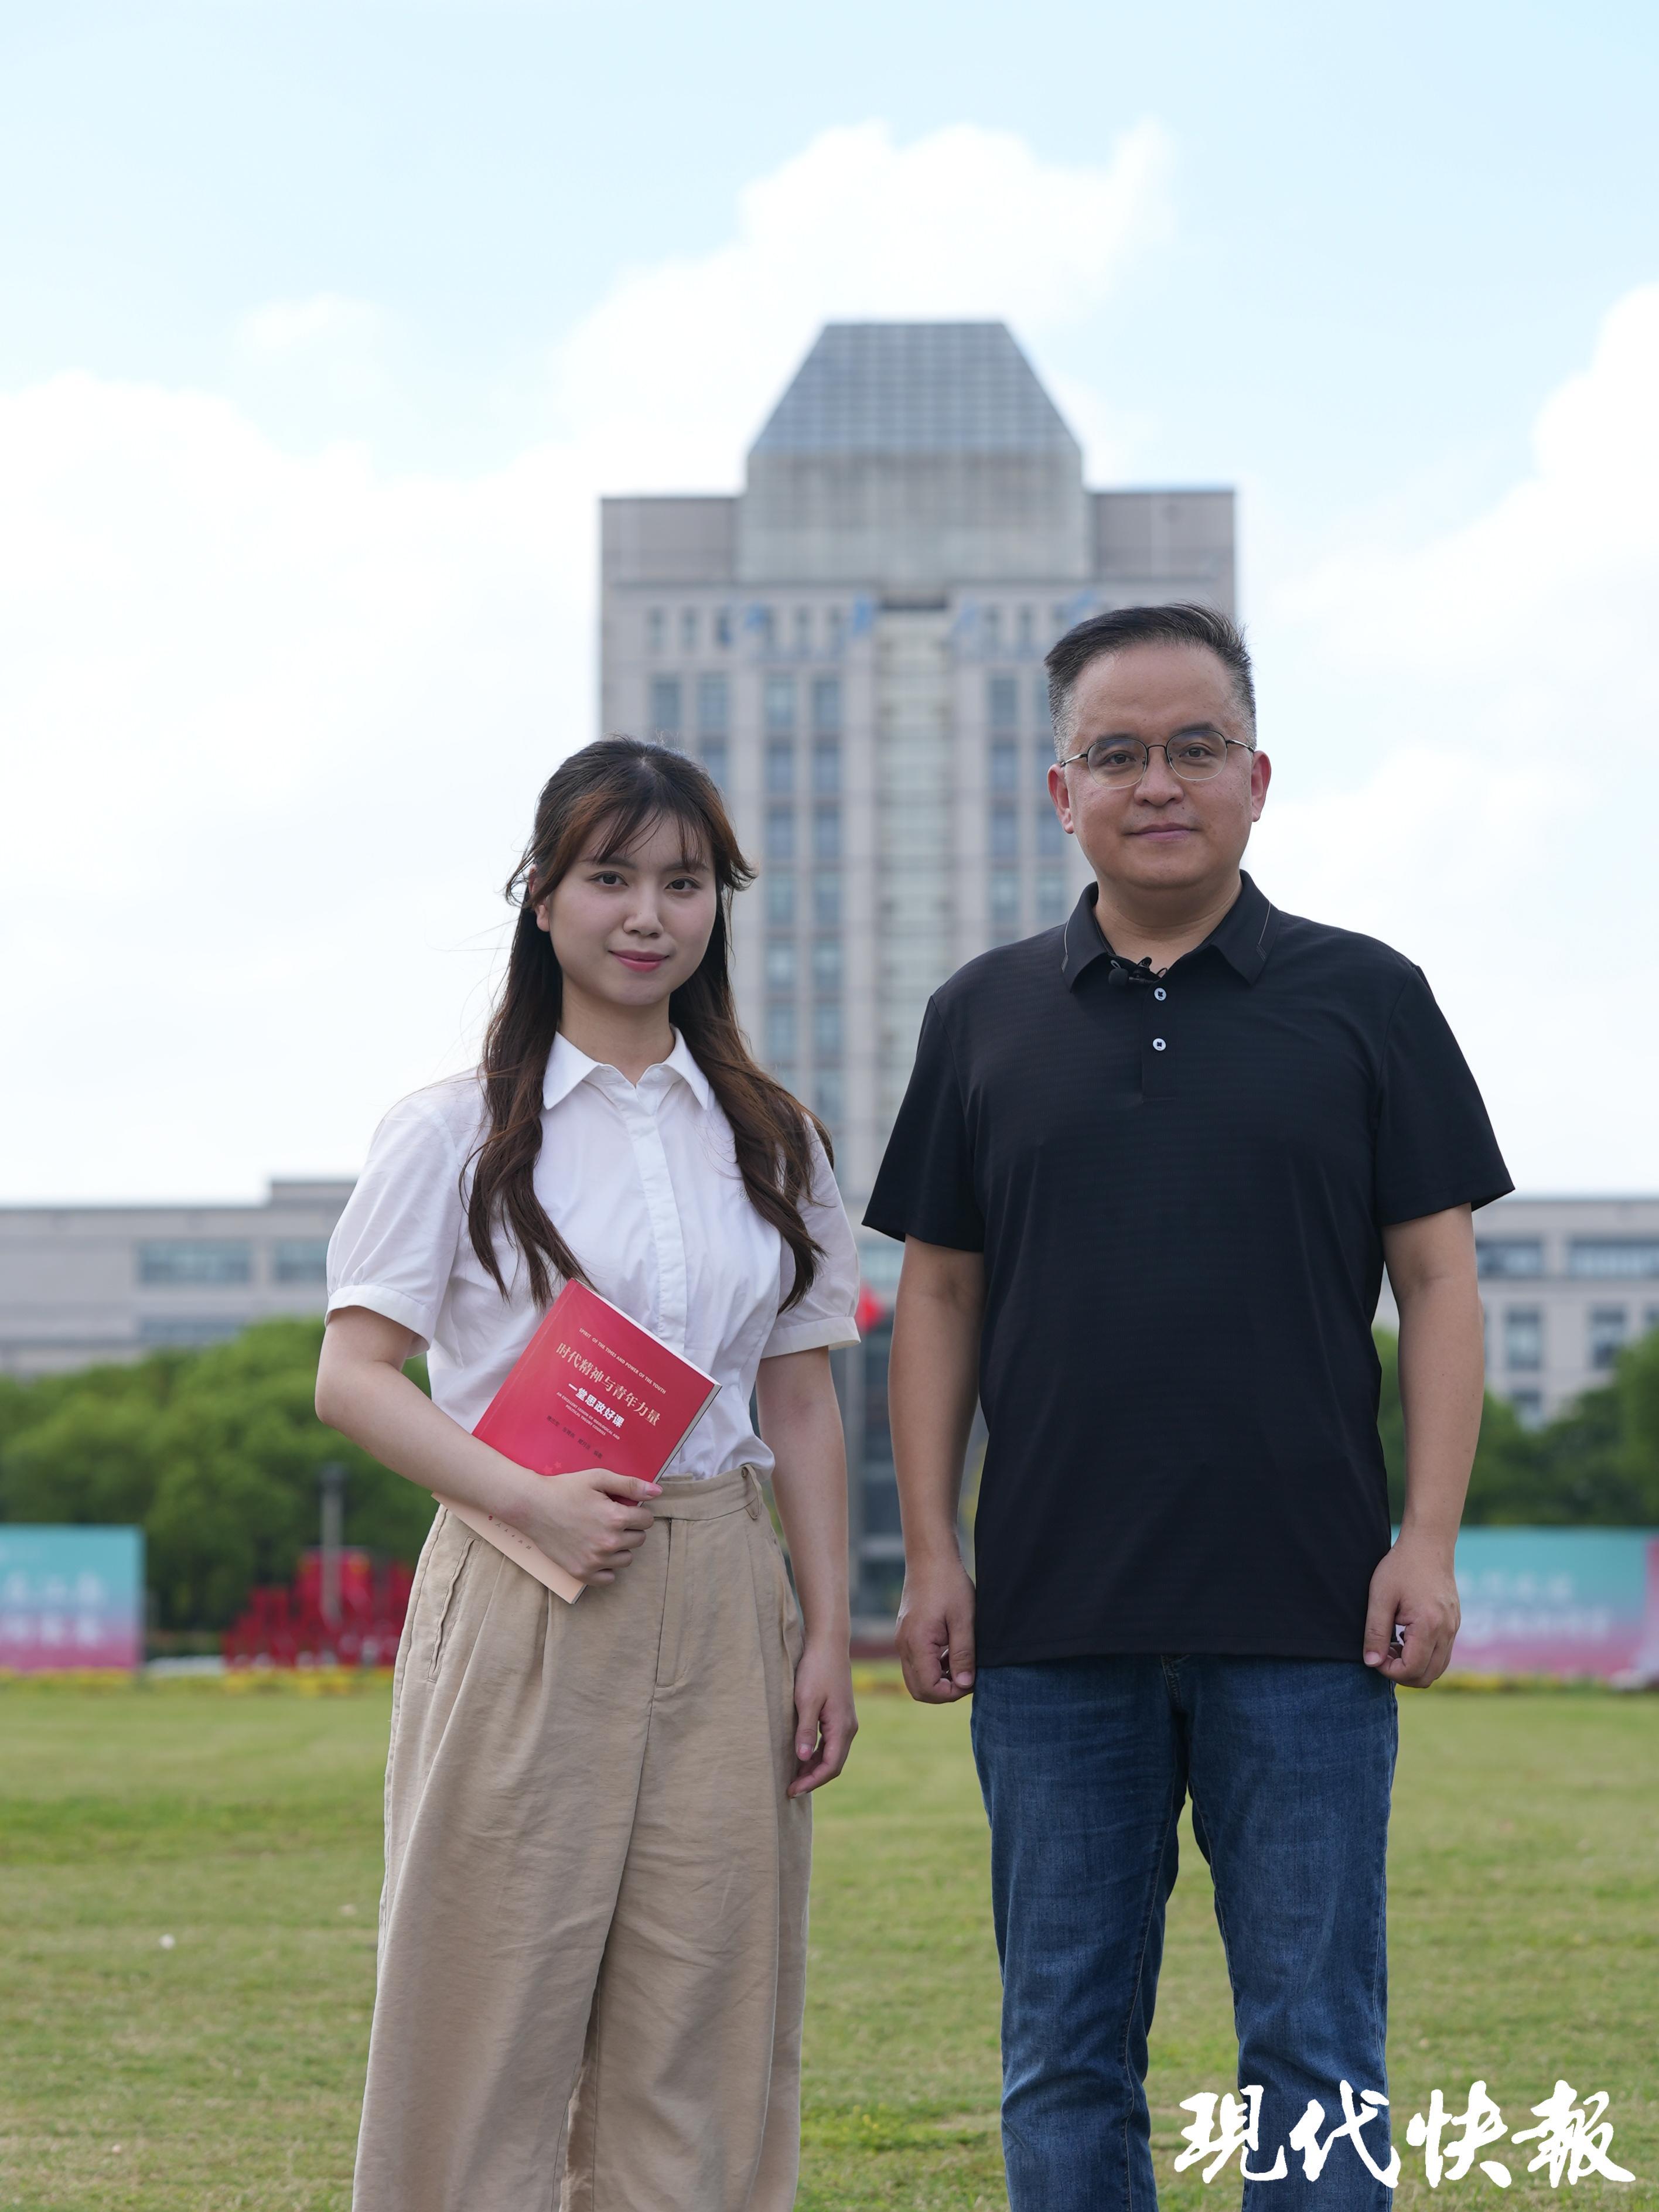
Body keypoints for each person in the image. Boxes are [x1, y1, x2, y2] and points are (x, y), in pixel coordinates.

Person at [864, 603, 1510, 2212]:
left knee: (1316, 2049)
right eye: (1118, 753)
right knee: (1063, 2055)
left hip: (1307, 1614)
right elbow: (935, 1298)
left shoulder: (1369, 999)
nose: (1160, 782)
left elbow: (1439, 1282)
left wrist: (1426, 1537)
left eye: (1197, 747)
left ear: (1258, 776)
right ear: (1060, 790)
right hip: (1050, 1622)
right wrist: (933, 1551)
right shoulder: (981, 1015)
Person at [315, 736, 861, 2212]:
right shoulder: (455, 1129)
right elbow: (352, 1377)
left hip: (724, 1582)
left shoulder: (774, 1138)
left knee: (706, 2010)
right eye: (610, 876)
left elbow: (799, 1397)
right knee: (485, 2001)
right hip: (523, 1575)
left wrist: (826, 1631)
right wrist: (523, 1499)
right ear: (541, 895)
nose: (647, 914)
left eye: (684, 883)